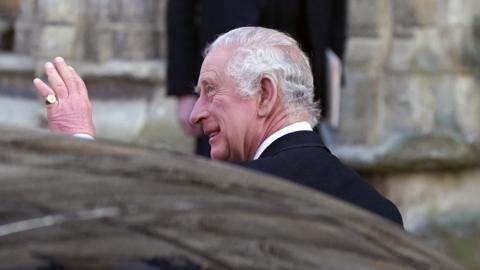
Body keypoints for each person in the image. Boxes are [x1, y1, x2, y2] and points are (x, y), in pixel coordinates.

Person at [33, 27, 403, 226]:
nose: (195, 114)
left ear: (264, 94)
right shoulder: (382, 211)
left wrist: (79, 142)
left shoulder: (236, 193)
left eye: (210, 90)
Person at [167, 0, 347, 157]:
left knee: (302, 166)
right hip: (225, 63)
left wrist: (334, 60)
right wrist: (184, 88)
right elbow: (181, 9)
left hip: (302, 58)